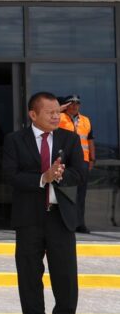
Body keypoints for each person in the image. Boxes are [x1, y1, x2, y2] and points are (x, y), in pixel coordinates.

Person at [3, 91, 86, 314]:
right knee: (29, 277)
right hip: (28, 218)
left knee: (66, 279)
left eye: (57, 112)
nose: (56, 117)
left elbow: (80, 173)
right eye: (49, 113)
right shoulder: (15, 140)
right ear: (33, 114)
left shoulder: (69, 139)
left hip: (61, 218)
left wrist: (60, 175)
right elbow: (10, 176)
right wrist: (43, 178)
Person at [58, 94, 95, 233]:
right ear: (66, 105)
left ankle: (80, 224)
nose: (74, 106)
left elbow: (90, 141)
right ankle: (65, 223)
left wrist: (92, 159)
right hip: (63, 160)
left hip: (82, 161)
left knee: (81, 194)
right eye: (71, 103)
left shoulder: (86, 120)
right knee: (63, 192)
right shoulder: (59, 117)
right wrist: (59, 109)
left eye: (77, 103)